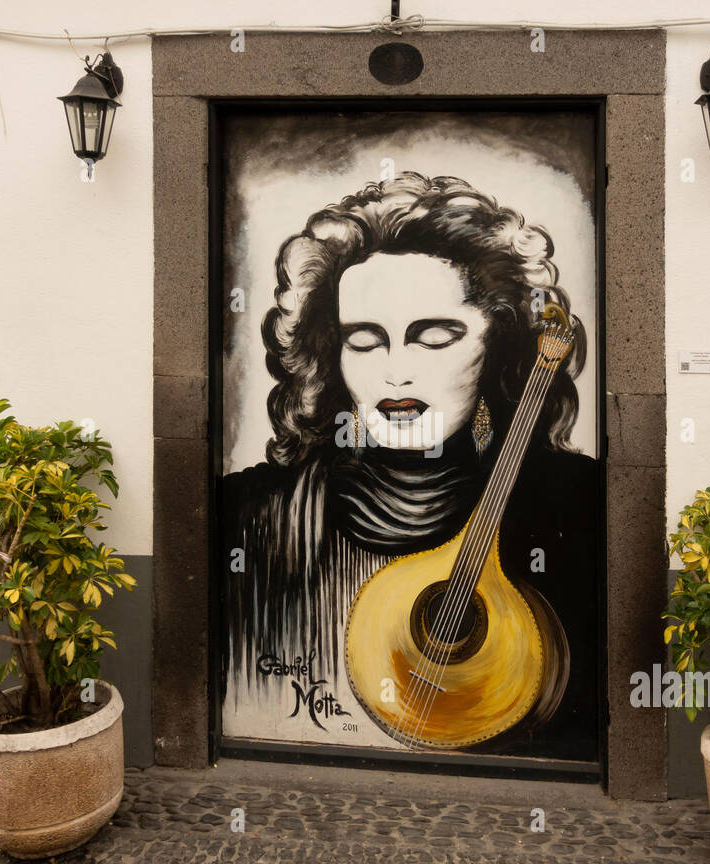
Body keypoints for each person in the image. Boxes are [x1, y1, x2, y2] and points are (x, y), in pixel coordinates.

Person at [221, 171, 598, 760]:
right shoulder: (250, 513)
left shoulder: (577, 505)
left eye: (435, 336)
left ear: (499, 344)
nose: (396, 373)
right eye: (365, 340)